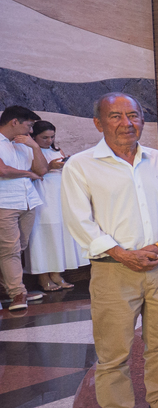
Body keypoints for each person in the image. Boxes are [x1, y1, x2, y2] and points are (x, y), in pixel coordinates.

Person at [61, 93, 158, 408]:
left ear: (142, 120)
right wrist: (123, 253)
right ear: (98, 122)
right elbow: (79, 220)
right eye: (116, 116)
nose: (126, 123)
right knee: (114, 350)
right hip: (113, 270)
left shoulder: (156, 160)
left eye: (133, 116)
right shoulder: (82, 165)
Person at [24, 121, 87, 291]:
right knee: (43, 233)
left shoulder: (56, 151)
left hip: (58, 194)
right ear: (34, 136)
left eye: (52, 137)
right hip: (41, 192)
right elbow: (31, 171)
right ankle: (42, 276)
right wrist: (49, 167)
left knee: (58, 233)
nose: (48, 140)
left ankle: (57, 274)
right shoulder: (28, 150)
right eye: (44, 137)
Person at [0, 105, 47, 310]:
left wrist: (35, 147)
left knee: (19, 247)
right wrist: (28, 174)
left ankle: (9, 287)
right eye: (28, 126)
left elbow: (42, 170)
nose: (30, 132)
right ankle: (18, 293)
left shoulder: (24, 144)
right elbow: (2, 170)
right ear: (14, 122)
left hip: (28, 201)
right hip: (5, 203)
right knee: (10, 249)